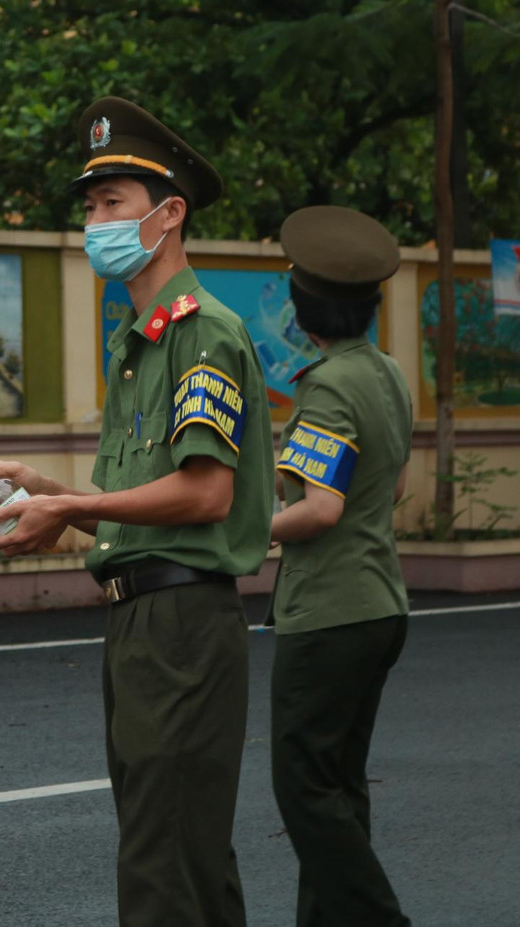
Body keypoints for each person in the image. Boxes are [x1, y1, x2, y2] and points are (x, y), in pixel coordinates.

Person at [0, 96, 273, 927]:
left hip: (182, 625)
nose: (95, 222)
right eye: (90, 206)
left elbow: (205, 494)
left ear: (169, 214)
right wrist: (41, 490)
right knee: (183, 855)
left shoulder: (203, 334)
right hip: (140, 623)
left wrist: (68, 503)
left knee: (164, 867)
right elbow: (139, 509)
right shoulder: (140, 341)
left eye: (112, 203)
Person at [269, 206, 413, 927]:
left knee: (304, 788)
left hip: (329, 610)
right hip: (380, 602)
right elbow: (395, 487)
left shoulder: (327, 385)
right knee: (339, 787)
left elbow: (320, 509)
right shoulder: (387, 373)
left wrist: (245, 532)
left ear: (304, 308)